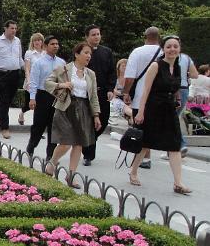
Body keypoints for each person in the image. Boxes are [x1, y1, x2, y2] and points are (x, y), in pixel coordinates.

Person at [129, 36, 191, 195]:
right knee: (146, 143)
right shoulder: (156, 66)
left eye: (175, 46)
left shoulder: (177, 66)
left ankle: (178, 182)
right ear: (163, 48)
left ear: (179, 49)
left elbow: (175, 88)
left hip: (169, 109)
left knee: (174, 144)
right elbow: (146, 91)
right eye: (169, 46)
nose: (172, 49)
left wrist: (177, 100)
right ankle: (133, 171)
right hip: (153, 108)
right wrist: (141, 112)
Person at [43, 42, 101, 188]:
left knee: (79, 143)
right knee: (66, 142)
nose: (88, 56)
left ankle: (71, 175)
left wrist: (96, 115)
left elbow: (93, 96)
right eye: (86, 53)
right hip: (65, 108)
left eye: (90, 54)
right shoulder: (64, 69)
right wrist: (62, 85)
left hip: (83, 109)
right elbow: (47, 83)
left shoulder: (91, 74)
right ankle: (53, 162)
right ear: (77, 54)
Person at [123, 27, 163, 169]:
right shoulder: (164, 52)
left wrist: (126, 92)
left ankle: (142, 158)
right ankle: (148, 157)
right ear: (159, 37)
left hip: (140, 97)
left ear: (145, 36)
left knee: (140, 128)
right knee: (152, 127)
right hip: (159, 96)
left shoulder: (137, 52)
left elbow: (130, 76)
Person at [81, 25, 116, 166]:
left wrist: (110, 88)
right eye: (93, 34)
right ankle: (88, 154)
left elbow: (112, 72)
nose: (96, 36)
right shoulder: (82, 51)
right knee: (88, 122)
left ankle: (88, 142)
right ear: (87, 37)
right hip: (86, 94)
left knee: (104, 121)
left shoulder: (106, 52)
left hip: (102, 93)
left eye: (98, 34)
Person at [25, 35, 65, 157]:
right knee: (39, 125)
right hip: (42, 96)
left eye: (57, 44)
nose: (55, 46)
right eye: (53, 44)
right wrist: (32, 98)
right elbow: (33, 82)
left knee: (54, 126)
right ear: (46, 46)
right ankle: (31, 145)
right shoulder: (39, 63)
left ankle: (50, 155)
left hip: (56, 96)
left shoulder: (61, 62)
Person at [171, 46, 199, 157]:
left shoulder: (166, 57)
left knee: (171, 119)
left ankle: (179, 145)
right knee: (174, 118)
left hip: (171, 89)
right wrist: (185, 74)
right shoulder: (186, 58)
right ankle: (173, 149)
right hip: (184, 90)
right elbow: (195, 74)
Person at [19, 33, 44, 126]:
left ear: (42, 42)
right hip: (31, 81)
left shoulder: (45, 53)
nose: (37, 42)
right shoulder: (29, 53)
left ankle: (37, 127)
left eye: (39, 40)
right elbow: (27, 69)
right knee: (28, 104)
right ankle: (22, 113)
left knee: (39, 106)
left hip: (42, 83)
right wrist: (29, 81)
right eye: (35, 40)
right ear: (32, 42)